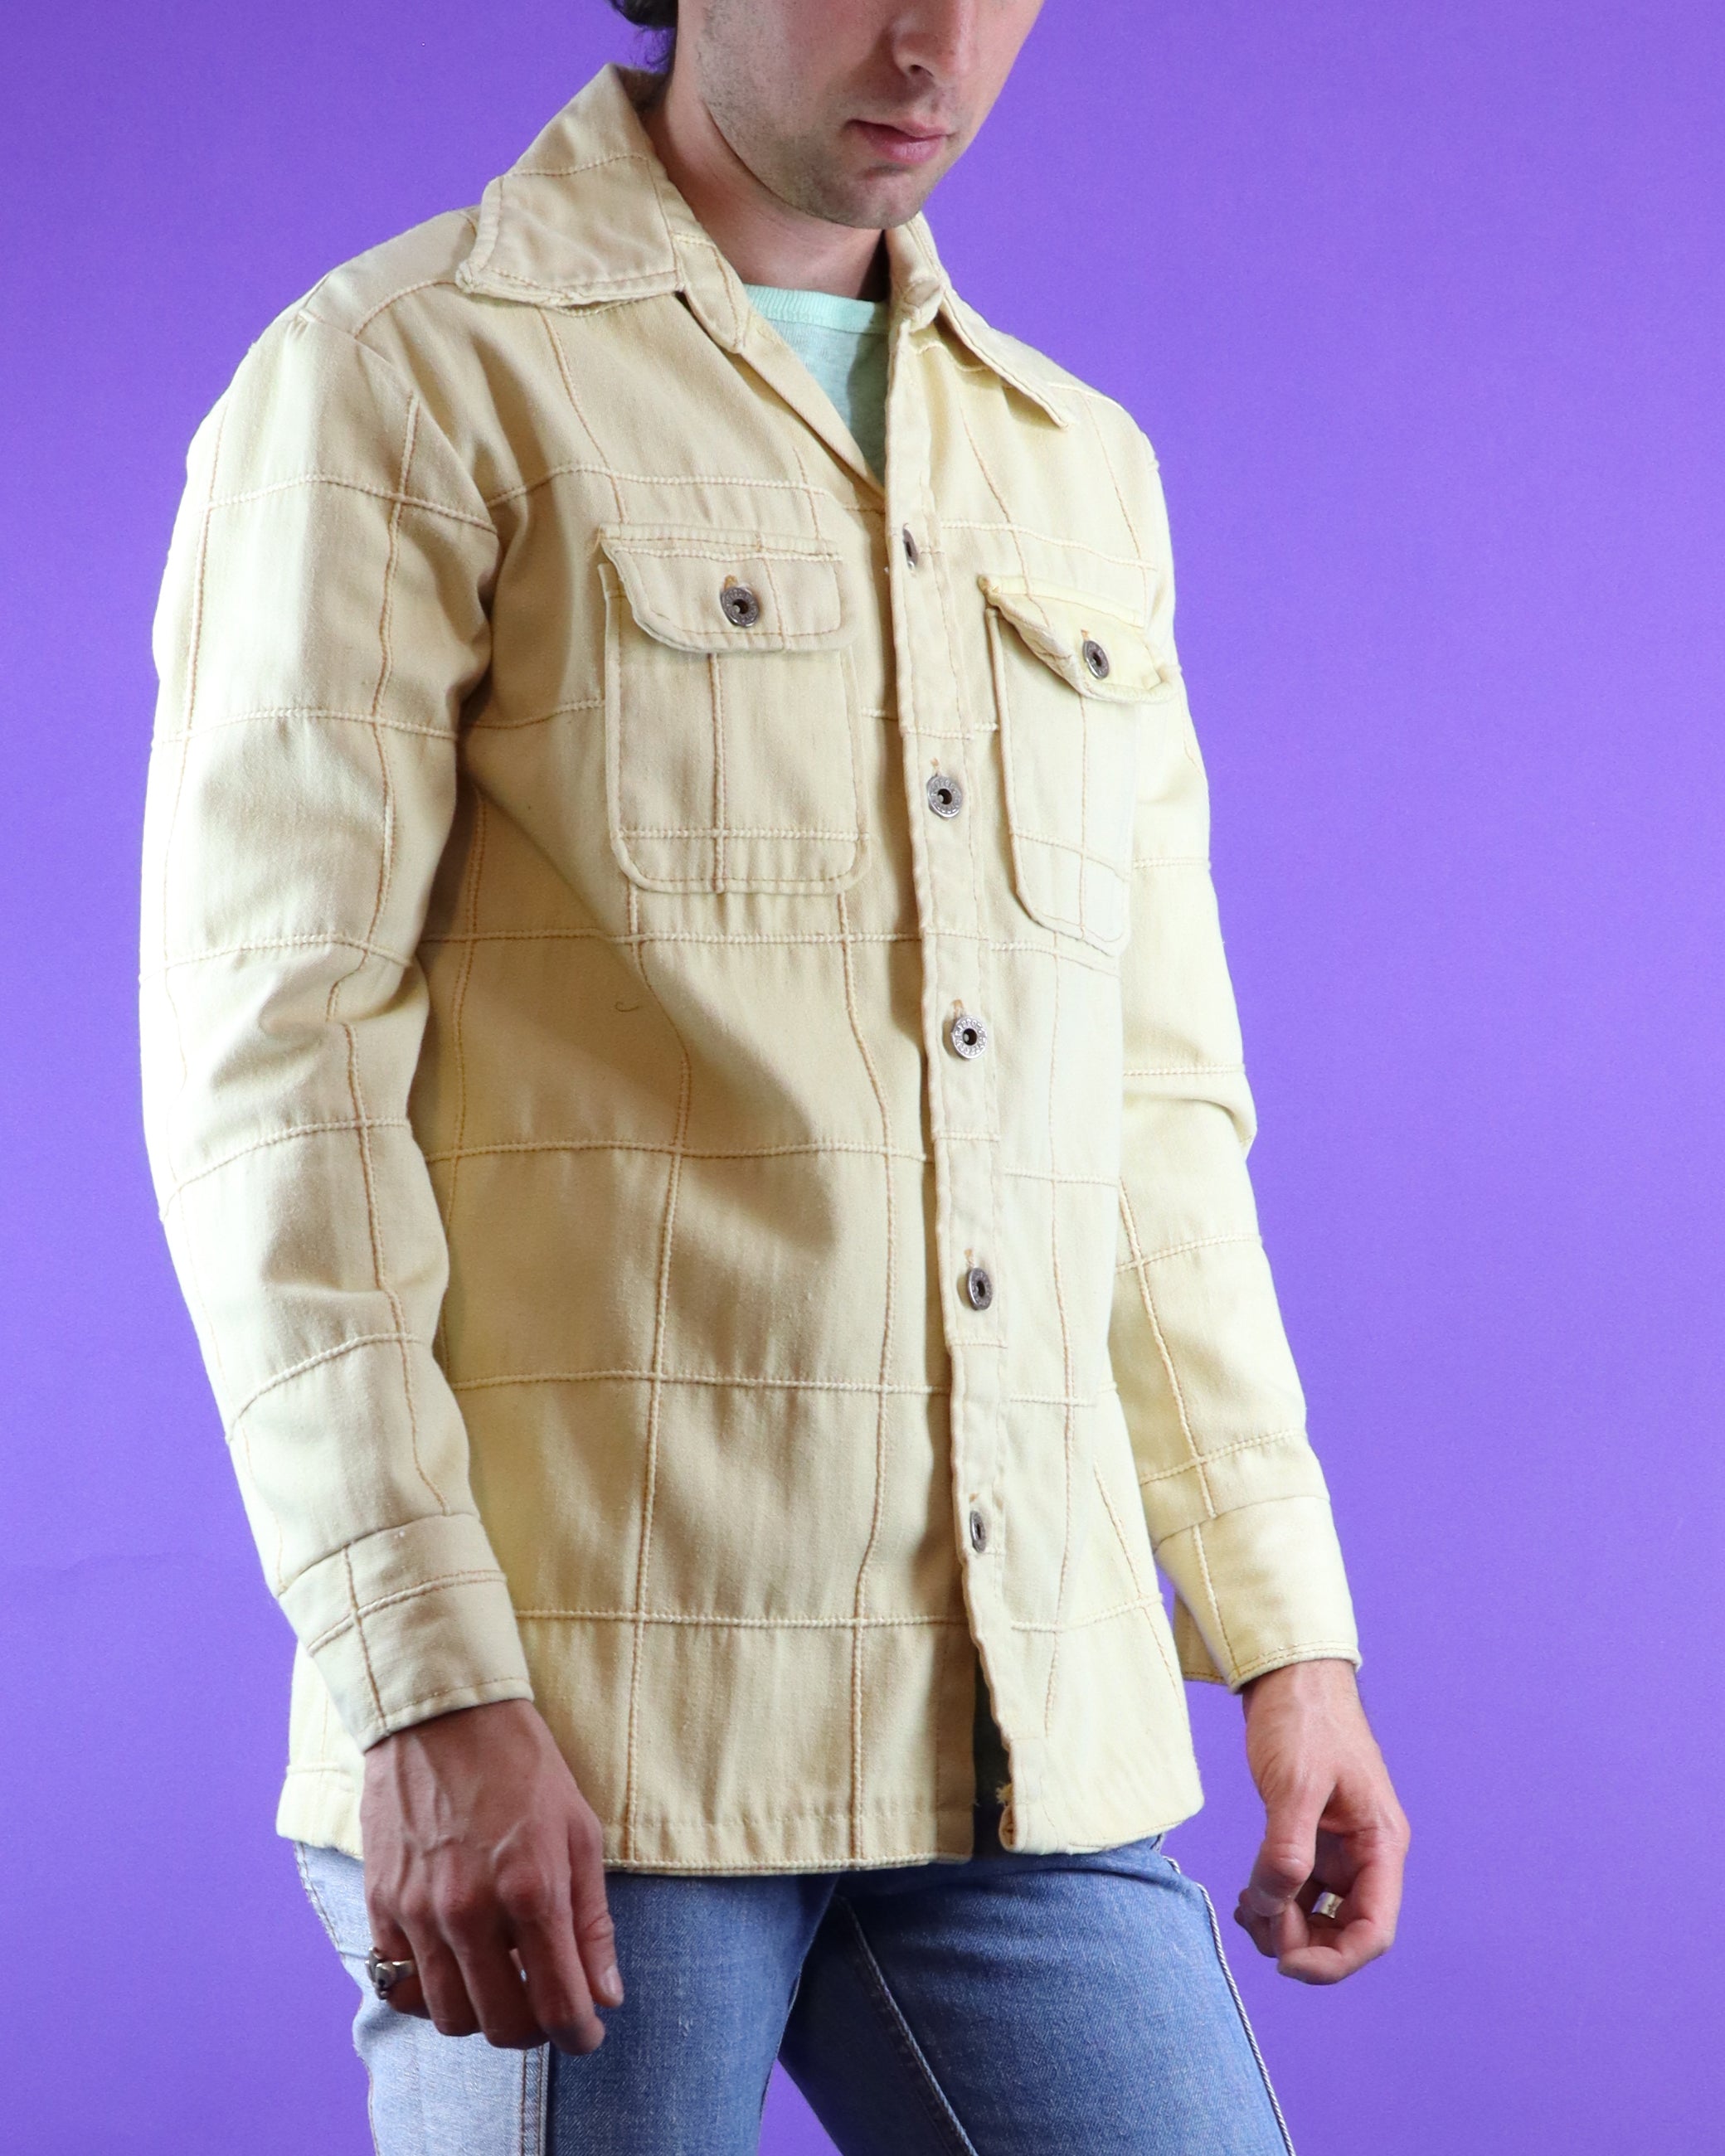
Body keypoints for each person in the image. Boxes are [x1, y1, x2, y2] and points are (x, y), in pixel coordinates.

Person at [142, 1, 1409, 2148]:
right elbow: (277, 1082)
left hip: (1019, 1731)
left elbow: (1152, 1113)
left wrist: (1289, 1635)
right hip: (579, 1741)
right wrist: (420, 1680)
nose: (933, 43)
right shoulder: (401, 379)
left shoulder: (1075, 465)